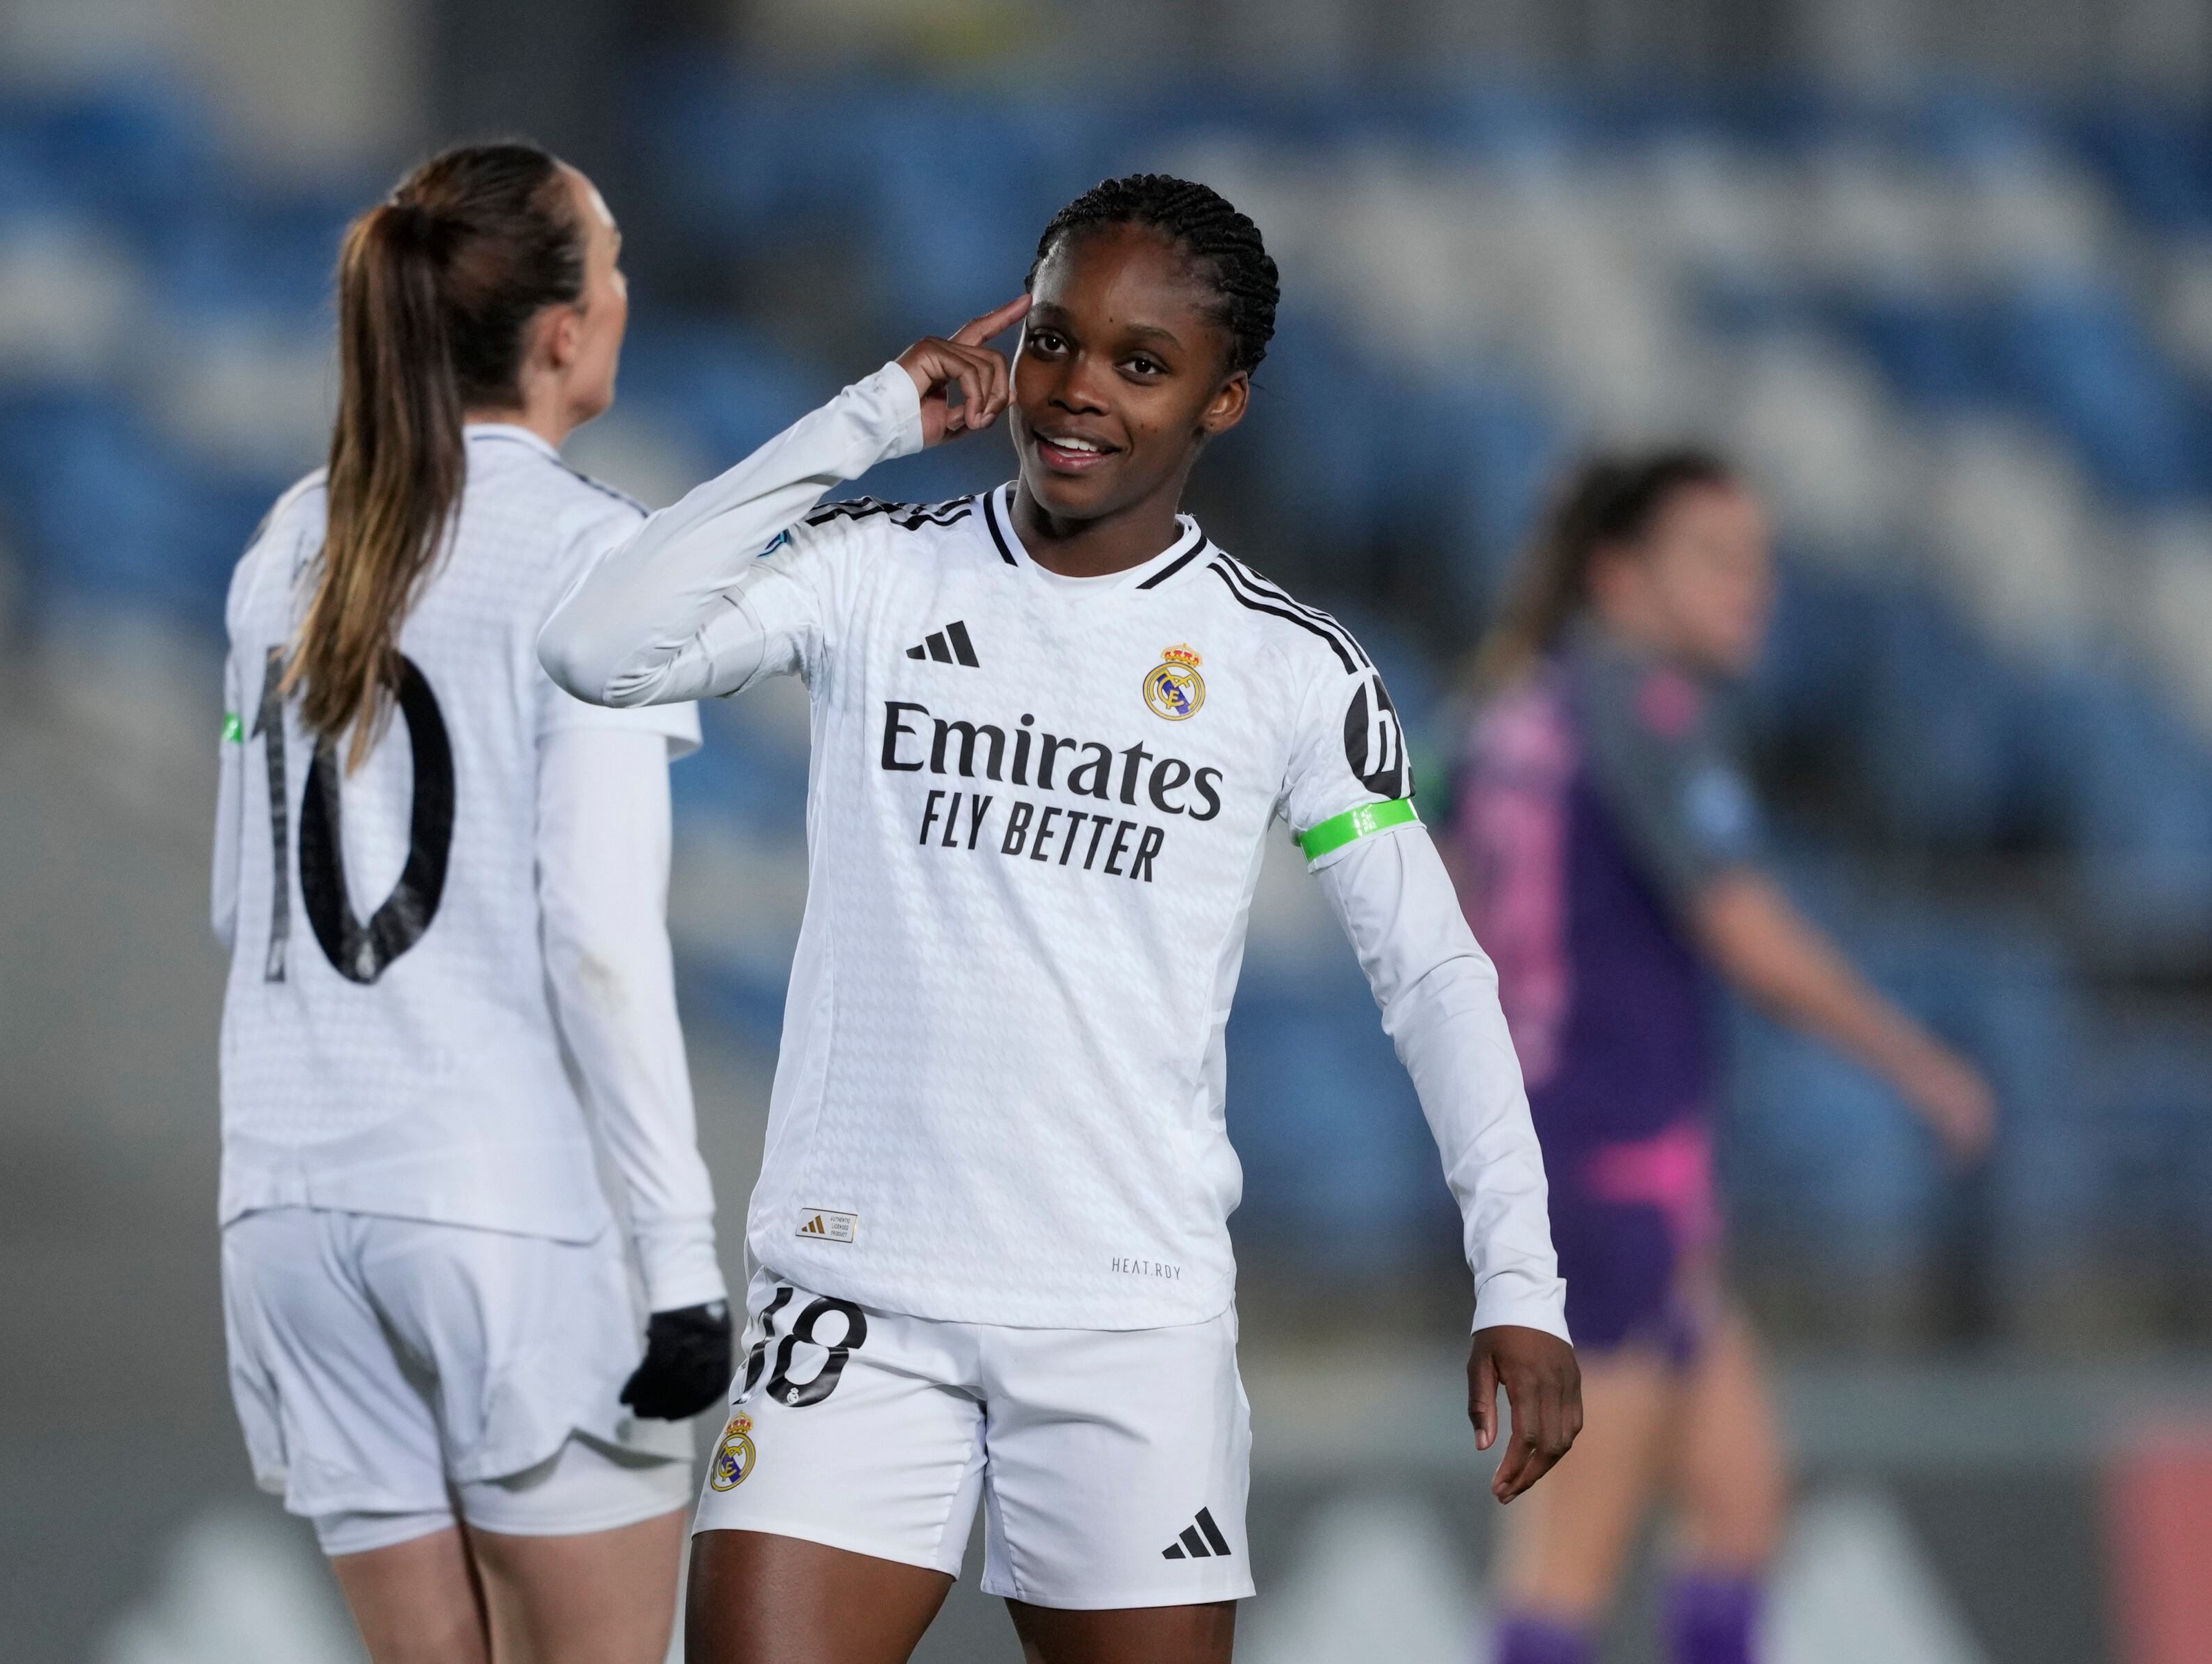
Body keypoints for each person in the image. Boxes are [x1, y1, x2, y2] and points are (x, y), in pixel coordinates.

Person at [535, 173, 1582, 1664]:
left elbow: (1429, 972)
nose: (1077, 392)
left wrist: (1519, 1279)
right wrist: (865, 421)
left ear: (1224, 400)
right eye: (1051, 340)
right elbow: (593, 645)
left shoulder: (1285, 668)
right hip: (854, 1301)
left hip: (1119, 1322)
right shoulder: (875, 572)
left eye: (1141, 365)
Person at [210, 142, 733, 1664]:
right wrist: (681, 1258)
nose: (628, 294)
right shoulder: (589, 552)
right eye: (612, 261)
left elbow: (244, 913)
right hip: (500, 1205)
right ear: (561, 331)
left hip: (286, 1206)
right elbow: (596, 931)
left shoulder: (284, 545)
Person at [1448, 451, 1997, 1664]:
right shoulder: (1643, 707)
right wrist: (1918, 1061)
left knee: (1741, 1500)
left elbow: (1444, 892)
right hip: (1613, 1174)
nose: (1757, 589)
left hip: (1586, 1160)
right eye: (1718, 559)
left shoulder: (1509, 709)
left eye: (1761, 560)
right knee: (1565, 1567)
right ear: (1620, 576)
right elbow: (1746, 930)